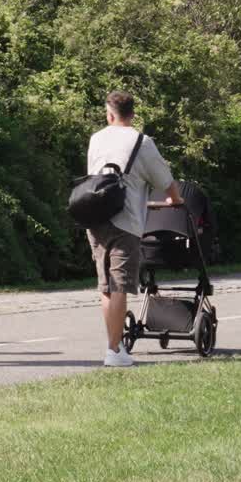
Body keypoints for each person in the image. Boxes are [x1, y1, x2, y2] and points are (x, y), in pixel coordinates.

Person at [85, 91, 184, 367]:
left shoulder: (96, 138)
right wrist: (174, 200)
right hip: (126, 220)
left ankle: (114, 348)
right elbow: (165, 178)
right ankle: (114, 351)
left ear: (109, 113)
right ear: (132, 114)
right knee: (119, 286)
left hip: (95, 217)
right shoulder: (142, 142)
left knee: (105, 287)